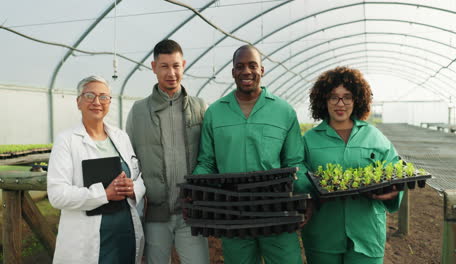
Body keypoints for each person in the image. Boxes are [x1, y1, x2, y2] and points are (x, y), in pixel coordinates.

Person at [193, 45, 310, 264]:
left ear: (262, 70)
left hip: (276, 211)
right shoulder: (215, 112)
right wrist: (195, 191)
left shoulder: (283, 111)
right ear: (233, 72)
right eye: (240, 66)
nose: (246, 71)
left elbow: (295, 162)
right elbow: (207, 162)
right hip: (234, 214)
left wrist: (305, 198)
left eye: (252, 65)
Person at [301, 66, 402, 264]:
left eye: (347, 97)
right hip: (323, 232)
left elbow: (395, 170)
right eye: (333, 97)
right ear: (324, 100)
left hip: (367, 230)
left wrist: (395, 191)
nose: (341, 104)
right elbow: (299, 176)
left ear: (356, 100)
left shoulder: (374, 136)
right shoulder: (309, 140)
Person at [126, 39, 209, 264]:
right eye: (164, 66)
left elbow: (209, 156)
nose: (171, 73)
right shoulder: (139, 111)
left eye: (175, 66)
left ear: (183, 65)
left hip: (191, 211)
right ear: (154, 68)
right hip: (155, 213)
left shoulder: (200, 107)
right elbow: (129, 160)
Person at [47, 75, 145, 264]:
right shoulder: (66, 140)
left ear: (109, 102)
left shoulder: (121, 137)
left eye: (103, 97)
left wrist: (133, 188)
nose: (97, 102)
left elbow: (139, 177)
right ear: (78, 102)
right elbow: (57, 194)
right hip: (87, 243)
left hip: (125, 235)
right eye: (90, 96)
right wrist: (104, 194)